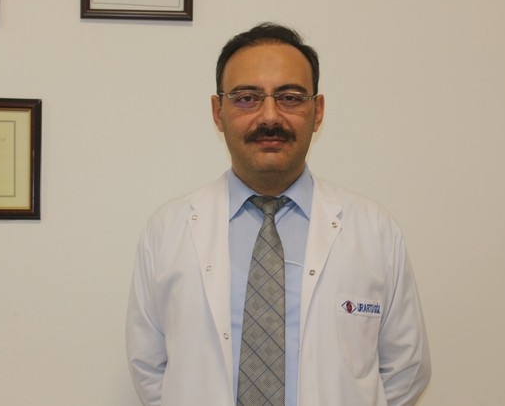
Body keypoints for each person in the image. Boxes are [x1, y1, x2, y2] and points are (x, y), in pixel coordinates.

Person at [126, 22, 431, 406]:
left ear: (317, 112)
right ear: (218, 112)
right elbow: (148, 365)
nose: (269, 117)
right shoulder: (166, 231)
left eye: (289, 97)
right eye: (246, 98)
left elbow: (406, 369)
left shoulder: (375, 230)